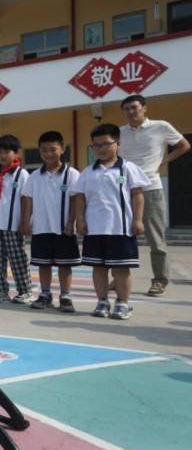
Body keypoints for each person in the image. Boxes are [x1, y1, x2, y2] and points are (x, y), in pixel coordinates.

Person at [73, 123, 149, 320]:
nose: (100, 149)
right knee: (98, 267)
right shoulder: (88, 172)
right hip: (95, 229)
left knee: (121, 269)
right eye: (96, 145)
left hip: (121, 228)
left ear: (118, 144)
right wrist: (80, 219)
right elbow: (80, 197)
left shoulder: (128, 169)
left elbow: (138, 195)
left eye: (105, 144)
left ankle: (123, 304)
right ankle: (102, 301)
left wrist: (138, 220)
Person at [118, 94, 190, 296]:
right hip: (123, 191)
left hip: (151, 189)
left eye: (135, 107)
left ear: (144, 108)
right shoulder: (120, 133)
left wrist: (163, 161)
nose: (131, 112)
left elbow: (184, 145)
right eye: (127, 109)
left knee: (155, 238)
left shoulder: (161, 126)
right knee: (121, 237)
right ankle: (118, 279)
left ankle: (160, 280)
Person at [21, 131, 81, 312]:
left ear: (62, 149)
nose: (48, 154)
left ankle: (65, 296)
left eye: (52, 149)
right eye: (44, 150)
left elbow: (75, 199)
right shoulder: (34, 176)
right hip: (41, 227)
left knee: (65, 264)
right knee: (43, 263)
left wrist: (72, 222)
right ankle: (45, 294)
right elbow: (28, 200)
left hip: (64, 229)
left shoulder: (72, 174)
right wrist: (25, 221)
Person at [0, 134, 32, 304]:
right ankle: (0, 291)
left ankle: (25, 291)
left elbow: (26, 199)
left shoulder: (22, 175)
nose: (2, 156)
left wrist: (25, 222)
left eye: (6, 152)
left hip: (13, 226)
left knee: (18, 258)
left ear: (16, 153)